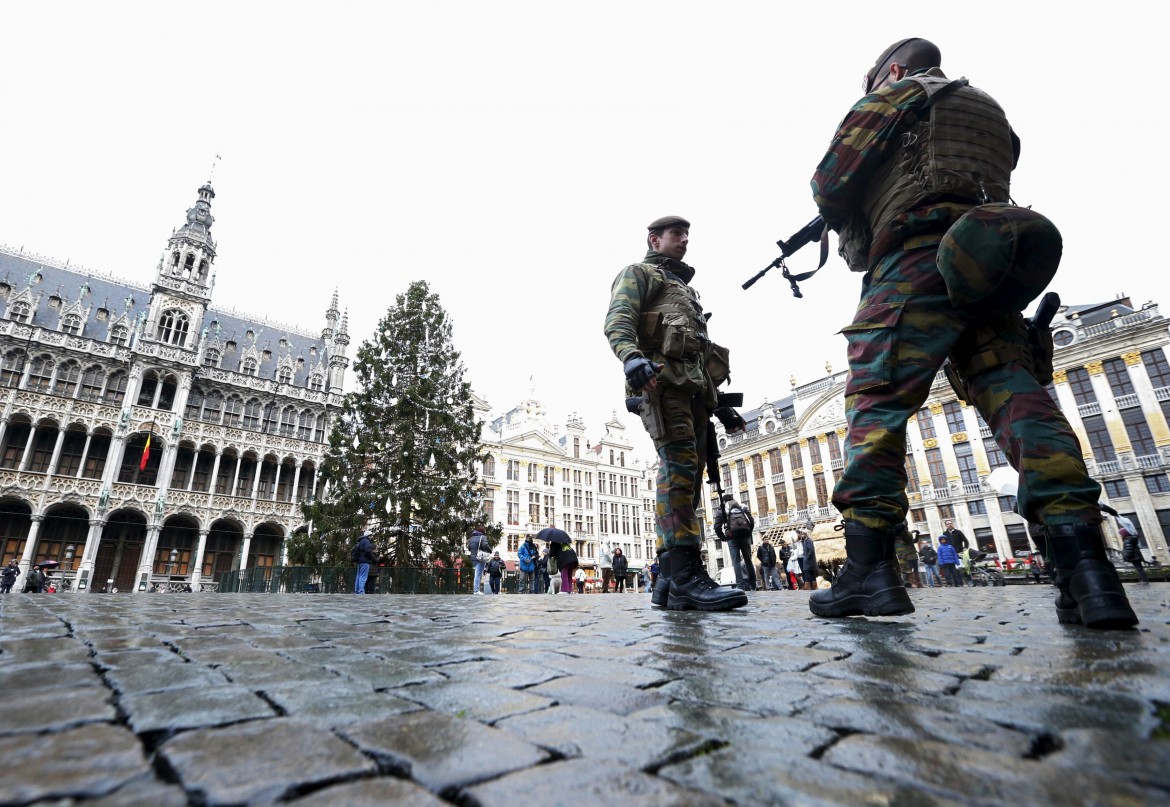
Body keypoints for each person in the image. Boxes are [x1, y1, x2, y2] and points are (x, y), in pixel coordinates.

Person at [807, 37, 1137, 628]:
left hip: (916, 260)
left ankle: (869, 571)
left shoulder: (895, 96)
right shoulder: (987, 108)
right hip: (985, 262)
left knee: (876, 403)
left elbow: (829, 183)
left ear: (895, 69)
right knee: (1020, 398)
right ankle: (1088, 573)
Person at [604, 216, 748, 612]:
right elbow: (618, 320)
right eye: (676, 234)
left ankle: (668, 579)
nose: (684, 240)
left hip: (694, 392)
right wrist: (631, 358)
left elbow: (699, 357)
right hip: (662, 386)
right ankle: (686, 576)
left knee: (689, 477)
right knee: (679, 470)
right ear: (655, 239)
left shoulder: (683, 290)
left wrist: (720, 407)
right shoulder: (640, 274)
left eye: (687, 235)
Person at [714, 495, 757, 592]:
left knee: (736, 561)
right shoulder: (741, 507)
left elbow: (717, 527)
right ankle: (753, 585)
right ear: (733, 499)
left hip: (731, 537)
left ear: (724, 501)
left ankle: (740, 586)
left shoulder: (722, 510)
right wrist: (749, 532)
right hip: (745, 536)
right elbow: (751, 520)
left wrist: (723, 538)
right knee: (748, 560)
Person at [539, 527, 577, 594]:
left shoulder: (554, 543)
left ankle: (564, 590)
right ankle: (569, 590)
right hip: (573, 559)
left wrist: (550, 552)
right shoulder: (565, 542)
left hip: (565, 560)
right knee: (569, 575)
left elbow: (552, 554)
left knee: (564, 574)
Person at [1119, 517, 1149, 586]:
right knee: (1139, 568)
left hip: (1134, 556)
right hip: (1136, 555)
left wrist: (1128, 556)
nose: (1121, 535)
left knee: (1139, 569)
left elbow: (1129, 549)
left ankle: (1144, 580)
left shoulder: (1128, 540)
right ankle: (1143, 580)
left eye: (1121, 534)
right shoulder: (1132, 538)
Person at [468, 521, 491, 595]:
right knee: (478, 574)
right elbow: (485, 545)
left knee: (479, 573)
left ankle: (477, 589)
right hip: (480, 557)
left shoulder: (471, 538)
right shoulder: (482, 537)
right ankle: (476, 590)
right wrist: (490, 550)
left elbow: (469, 547)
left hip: (473, 557)